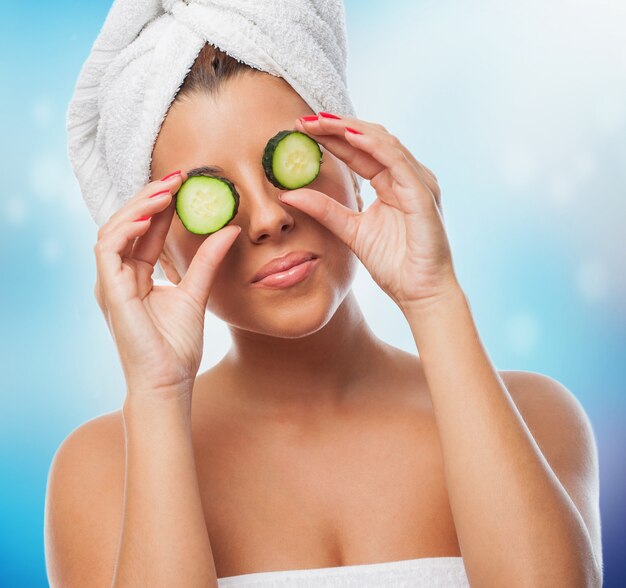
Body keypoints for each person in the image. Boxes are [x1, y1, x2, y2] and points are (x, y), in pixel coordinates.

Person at [45, 14, 602, 588]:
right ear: (159, 250)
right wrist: (158, 394)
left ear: (353, 165)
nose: (267, 218)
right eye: (207, 196)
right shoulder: (102, 470)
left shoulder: (536, 416)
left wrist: (434, 297)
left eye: (289, 160)